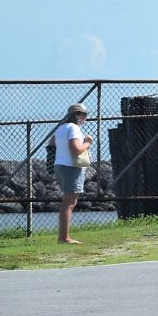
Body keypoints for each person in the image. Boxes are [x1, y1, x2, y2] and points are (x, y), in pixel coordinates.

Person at [54, 103, 93, 244]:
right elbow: (76, 149)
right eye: (84, 115)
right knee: (69, 203)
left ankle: (64, 236)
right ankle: (64, 238)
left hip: (60, 165)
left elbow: (52, 145)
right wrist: (88, 142)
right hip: (70, 167)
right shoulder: (74, 128)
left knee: (69, 201)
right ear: (77, 114)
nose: (85, 118)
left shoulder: (61, 128)